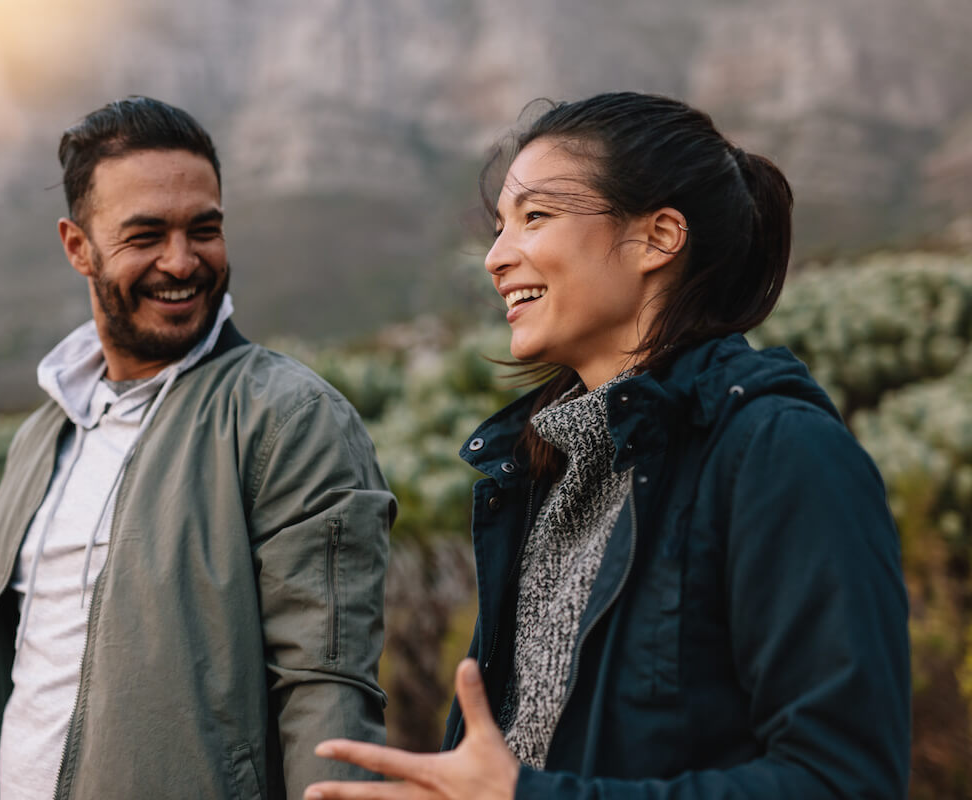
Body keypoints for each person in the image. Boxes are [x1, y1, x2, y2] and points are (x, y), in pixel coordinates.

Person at [305, 92, 910, 799]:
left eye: (536, 217)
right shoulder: (545, 471)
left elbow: (844, 781)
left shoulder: (782, 453)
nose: (497, 258)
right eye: (498, 227)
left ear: (658, 237)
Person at [0, 97, 396, 800]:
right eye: (146, 235)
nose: (181, 261)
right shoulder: (46, 432)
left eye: (205, 229)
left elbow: (329, 695)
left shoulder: (290, 419)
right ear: (78, 247)